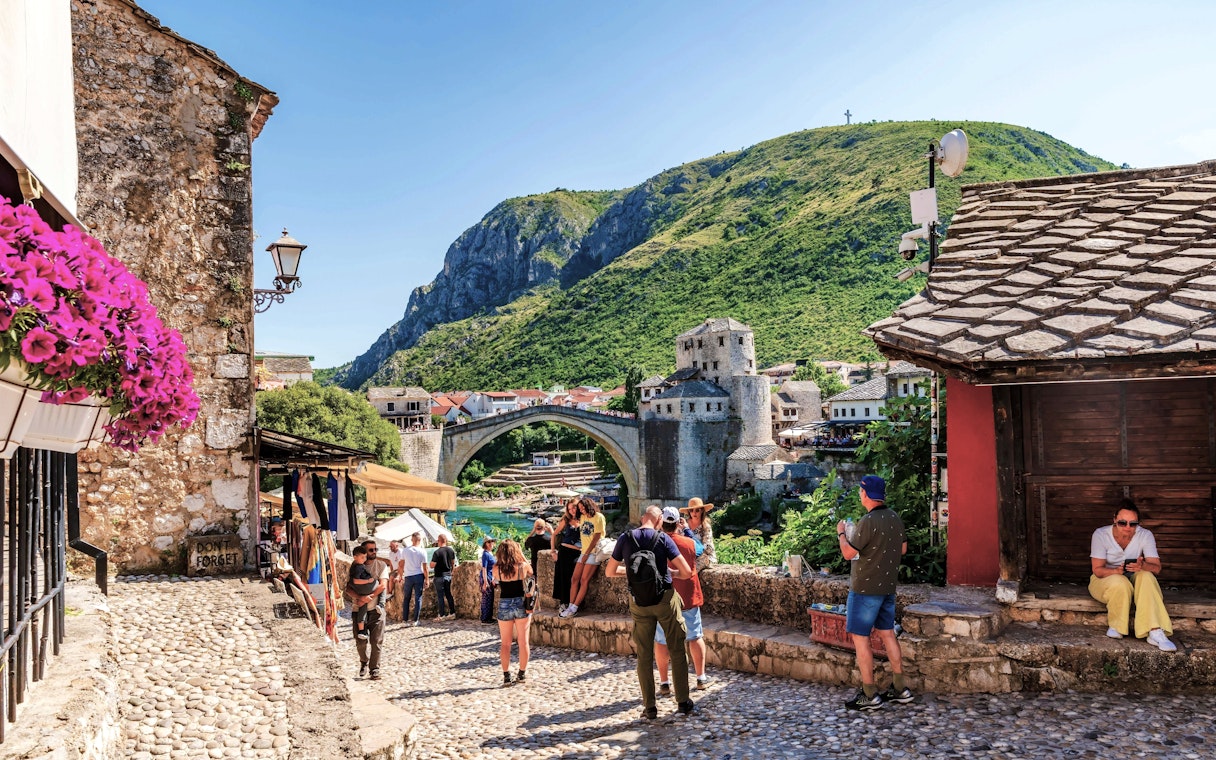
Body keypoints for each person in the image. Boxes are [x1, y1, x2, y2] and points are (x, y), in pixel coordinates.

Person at [606, 505, 696, 720]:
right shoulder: (663, 539)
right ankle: (683, 702)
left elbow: (610, 571)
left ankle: (650, 707)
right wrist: (670, 572)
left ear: (641, 518)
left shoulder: (625, 538)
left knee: (644, 655)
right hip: (665, 599)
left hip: (639, 602)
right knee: (676, 649)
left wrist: (629, 573)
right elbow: (685, 572)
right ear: (658, 521)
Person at [837, 475, 911, 710]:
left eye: (860, 491)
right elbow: (903, 548)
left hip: (865, 589)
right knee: (888, 634)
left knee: (861, 639)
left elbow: (849, 554)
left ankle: (869, 693)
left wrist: (841, 534)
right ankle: (900, 688)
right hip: (887, 587)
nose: (860, 495)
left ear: (866, 494)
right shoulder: (894, 518)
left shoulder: (868, 521)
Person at [1088, 499, 1176, 652]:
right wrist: (1116, 571)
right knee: (1120, 581)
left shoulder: (1145, 535)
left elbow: (1156, 568)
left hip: (1134, 578)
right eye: (1122, 523)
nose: (1128, 527)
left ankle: (1155, 631)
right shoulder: (1101, 534)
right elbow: (1097, 570)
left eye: (1132, 524)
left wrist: (1142, 566)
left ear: (1138, 523)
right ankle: (1117, 626)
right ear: (1114, 519)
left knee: (1147, 576)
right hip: (1104, 580)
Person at [655, 507, 711, 694]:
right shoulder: (688, 542)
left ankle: (664, 682)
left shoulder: (656, 543)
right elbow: (702, 550)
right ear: (678, 522)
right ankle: (701, 678)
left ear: (661, 523)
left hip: (664, 598)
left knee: (662, 641)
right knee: (695, 637)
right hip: (687, 596)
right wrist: (686, 530)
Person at [346, 538, 390, 679]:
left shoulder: (381, 565)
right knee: (360, 642)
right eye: (370, 550)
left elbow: (383, 585)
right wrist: (360, 598)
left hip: (376, 610)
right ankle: (363, 661)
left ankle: (374, 669)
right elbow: (348, 588)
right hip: (358, 608)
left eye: (375, 549)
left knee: (376, 641)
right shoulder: (355, 566)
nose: (374, 552)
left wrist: (369, 597)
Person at [493, 539, 535, 686]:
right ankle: (522, 674)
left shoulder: (496, 568)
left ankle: (506, 676)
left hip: (504, 604)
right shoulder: (522, 566)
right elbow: (531, 572)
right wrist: (521, 554)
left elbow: (497, 581)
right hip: (520, 603)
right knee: (523, 642)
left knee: (505, 643)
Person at [560, 498, 605, 618]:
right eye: (580, 508)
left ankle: (574, 608)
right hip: (583, 552)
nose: (581, 510)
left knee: (584, 580)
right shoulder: (583, 517)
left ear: (589, 505)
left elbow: (596, 538)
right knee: (574, 579)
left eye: (582, 508)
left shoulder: (599, 517)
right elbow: (570, 519)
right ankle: (570, 605)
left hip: (594, 553)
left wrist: (586, 554)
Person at [550, 500, 582, 614]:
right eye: (569, 509)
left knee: (574, 578)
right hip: (564, 552)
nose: (571, 510)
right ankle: (564, 603)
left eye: (573, 507)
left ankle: (574, 604)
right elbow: (554, 534)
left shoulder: (584, 519)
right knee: (563, 578)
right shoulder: (566, 520)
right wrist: (553, 551)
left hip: (578, 553)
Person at [348, 546, 377, 641]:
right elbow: (356, 581)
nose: (364, 559)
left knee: (362, 607)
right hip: (364, 587)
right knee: (380, 585)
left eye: (365, 557)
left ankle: (362, 630)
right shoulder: (358, 567)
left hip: (360, 590)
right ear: (355, 557)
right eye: (362, 557)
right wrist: (368, 581)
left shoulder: (354, 565)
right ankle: (381, 603)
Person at [401, 532, 429, 626]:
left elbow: (401, 564)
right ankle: (415, 620)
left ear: (412, 540)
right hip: (418, 575)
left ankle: (405, 620)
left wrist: (400, 575)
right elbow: (425, 568)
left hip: (408, 576)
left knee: (406, 598)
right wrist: (427, 579)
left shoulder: (405, 550)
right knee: (418, 598)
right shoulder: (422, 551)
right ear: (420, 540)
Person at [681, 497, 717, 570]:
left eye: (697, 510)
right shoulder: (684, 525)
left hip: (704, 556)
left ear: (702, 511)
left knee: (691, 568)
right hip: (688, 555)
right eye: (691, 510)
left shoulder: (706, 527)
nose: (694, 513)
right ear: (689, 512)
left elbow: (707, 547)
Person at [430, 533, 458, 621]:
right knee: (449, 594)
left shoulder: (437, 552)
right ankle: (452, 613)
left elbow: (432, 565)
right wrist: (451, 571)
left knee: (440, 596)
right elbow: (453, 562)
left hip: (439, 576)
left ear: (439, 541)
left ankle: (442, 615)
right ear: (446, 541)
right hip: (448, 575)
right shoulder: (451, 550)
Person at [479, 537, 498, 624]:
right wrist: (485, 582)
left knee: (490, 598)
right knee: (486, 599)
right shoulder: (485, 554)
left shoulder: (490, 553)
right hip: (487, 578)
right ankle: (485, 619)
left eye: (492, 542)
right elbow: (484, 568)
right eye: (489, 542)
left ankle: (488, 617)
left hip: (490, 578)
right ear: (485, 544)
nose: (491, 544)